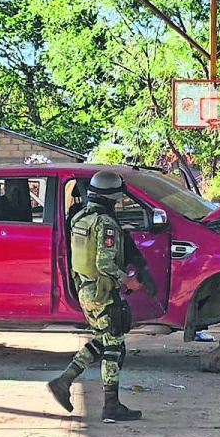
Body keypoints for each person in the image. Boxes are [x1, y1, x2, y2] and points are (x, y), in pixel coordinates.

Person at [48, 171, 148, 422]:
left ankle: (64, 381)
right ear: (112, 197)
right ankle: (111, 407)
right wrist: (129, 281)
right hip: (102, 290)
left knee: (102, 339)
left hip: (85, 289)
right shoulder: (105, 223)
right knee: (114, 346)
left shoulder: (80, 217)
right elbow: (104, 263)